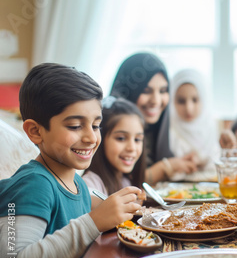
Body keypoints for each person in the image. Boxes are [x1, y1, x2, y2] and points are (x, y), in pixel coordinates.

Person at [0, 63, 143, 258]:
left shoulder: (75, 180)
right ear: (35, 131)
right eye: (75, 126)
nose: (90, 137)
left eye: (96, 125)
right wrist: (93, 222)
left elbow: (90, 205)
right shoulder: (34, 185)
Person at [110, 52, 198, 185]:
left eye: (163, 91)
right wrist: (165, 167)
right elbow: (122, 184)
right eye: (146, 91)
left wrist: (179, 164)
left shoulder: (155, 128)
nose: (156, 101)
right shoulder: (107, 129)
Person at [83, 97, 146, 208]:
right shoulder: (90, 184)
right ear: (100, 138)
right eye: (121, 138)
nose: (131, 148)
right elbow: (88, 198)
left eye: (137, 139)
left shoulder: (126, 181)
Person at [169, 69, 220, 179]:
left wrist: (202, 162)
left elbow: (218, 166)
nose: (189, 108)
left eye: (195, 100)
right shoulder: (168, 131)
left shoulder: (212, 127)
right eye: (181, 101)